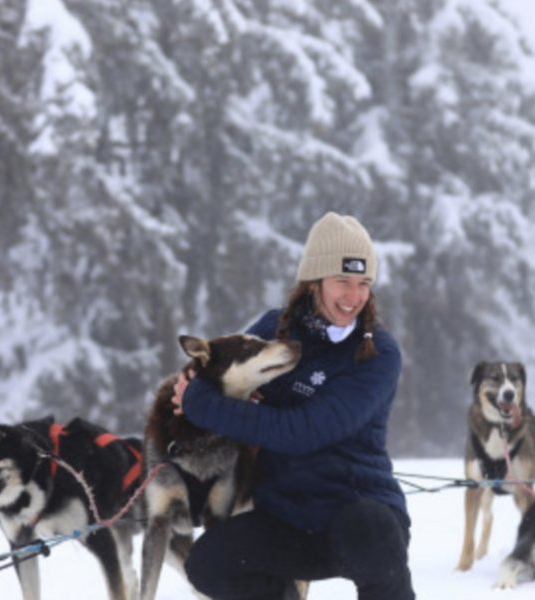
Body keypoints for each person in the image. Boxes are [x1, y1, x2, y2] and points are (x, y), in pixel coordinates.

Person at [172, 212, 416, 600]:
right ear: (313, 281)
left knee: (371, 529)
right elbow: (216, 372)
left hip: (357, 516)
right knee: (207, 564)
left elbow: (303, 432)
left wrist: (200, 403)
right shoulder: (274, 329)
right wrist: (192, 396)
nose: (353, 297)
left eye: (363, 283)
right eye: (342, 282)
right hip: (286, 519)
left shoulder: (378, 353)